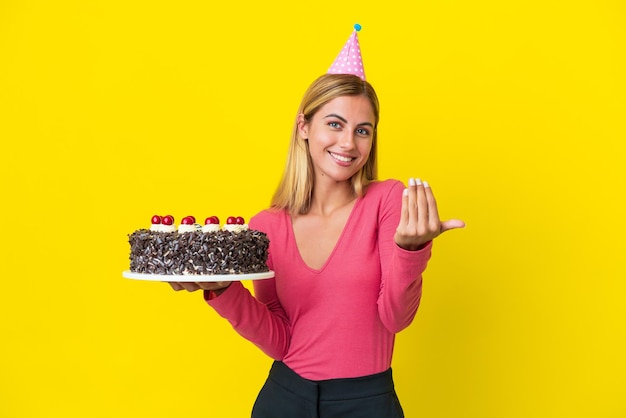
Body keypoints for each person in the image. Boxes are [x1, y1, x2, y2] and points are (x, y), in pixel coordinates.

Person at [168, 26, 464, 417]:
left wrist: (411, 251)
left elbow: (395, 318)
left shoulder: (387, 200)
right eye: (335, 124)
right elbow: (279, 342)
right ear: (304, 127)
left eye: (363, 131)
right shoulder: (265, 226)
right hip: (285, 399)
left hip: (367, 402)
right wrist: (223, 291)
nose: (348, 144)